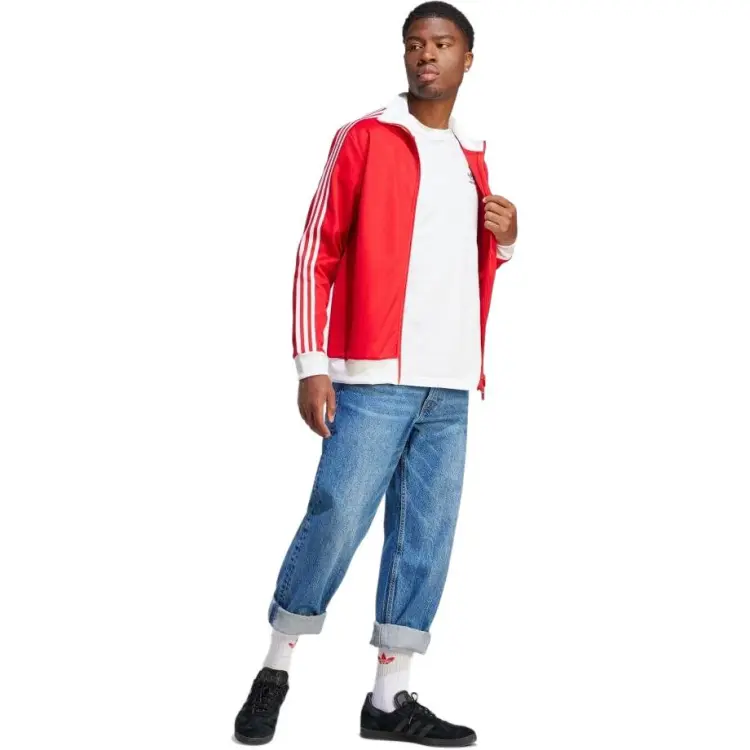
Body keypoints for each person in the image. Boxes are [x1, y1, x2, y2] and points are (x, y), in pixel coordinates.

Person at [234, 2, 518, 745]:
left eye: (443, 43)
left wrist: (506, 242)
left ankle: (389, 700)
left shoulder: (473, 155)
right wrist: (312, 364)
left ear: (467, 60)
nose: (428, 54)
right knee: (335, 520)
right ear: (405, 56)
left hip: (449, 383)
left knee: (425, 540)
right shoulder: (364, 137)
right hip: (370, 375)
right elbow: (316, 251)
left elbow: (458, 268)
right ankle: (275, 668)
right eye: (416, 43)